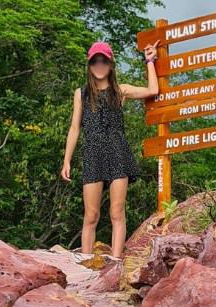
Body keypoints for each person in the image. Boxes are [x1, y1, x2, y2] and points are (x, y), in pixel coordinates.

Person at [61, 40, 159, 259]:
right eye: (95, 61)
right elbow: (75, 128)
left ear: (110, 64)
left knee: (116, 212)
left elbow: (153, 90)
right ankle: (85, 265)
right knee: (91, 215)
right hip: (93, 153)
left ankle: (115, 263)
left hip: (117, 151)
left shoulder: (120, 90)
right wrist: (67, 160)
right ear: (89, 65)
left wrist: (150, 60)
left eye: (103, 60)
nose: (99, 65)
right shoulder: (81, 93)